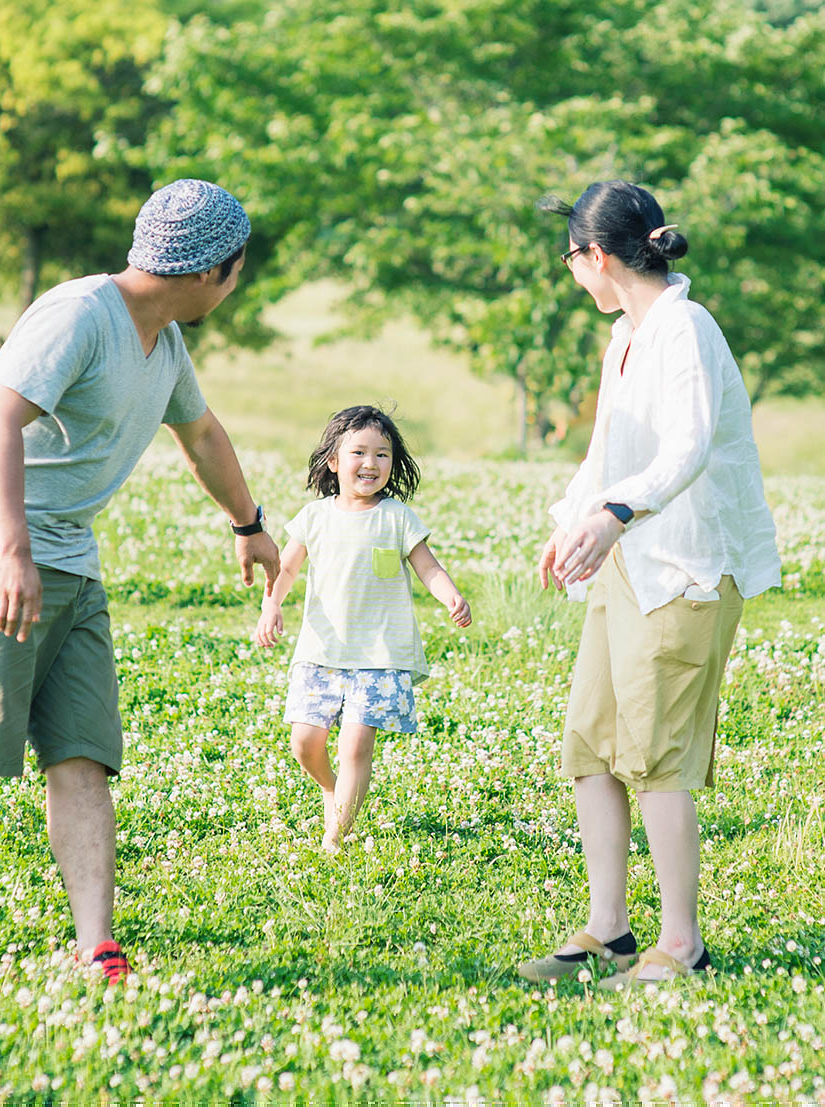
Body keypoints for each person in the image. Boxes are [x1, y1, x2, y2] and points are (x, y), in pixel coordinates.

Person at [0, 179, 281, 1002]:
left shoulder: (164, 344)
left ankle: (94, 943)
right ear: (219, 268)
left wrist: (247, 523)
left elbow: (203, 435)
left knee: (82, 755)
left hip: (69, 559)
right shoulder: (78, 314)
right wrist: (11, 551)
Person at [517, 181, 781, 989]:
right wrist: (574, 518)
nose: (571, 273)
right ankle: (609, 932)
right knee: (591, 744)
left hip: (687, 565)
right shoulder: (626, 337)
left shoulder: (683, 328)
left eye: (569, 258)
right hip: (627, 558)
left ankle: (682, 945)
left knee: (658, 756)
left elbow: (686, 446)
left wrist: (615, 514)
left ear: (596, 255)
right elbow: (607, 454)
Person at [254, 406, 472, 851]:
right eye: (358, 452)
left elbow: (428, 568)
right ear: (334, 461)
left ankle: (336, 834)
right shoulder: (315, 516)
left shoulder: (397, 517)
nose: (371, 463)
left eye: (382, 454)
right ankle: (333, 790)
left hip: (380, 655)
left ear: (393, 464)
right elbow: (287, 569)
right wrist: (271, 606)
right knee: (305, 742)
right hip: (322, 649)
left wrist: (450, 594)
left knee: (356, 747)